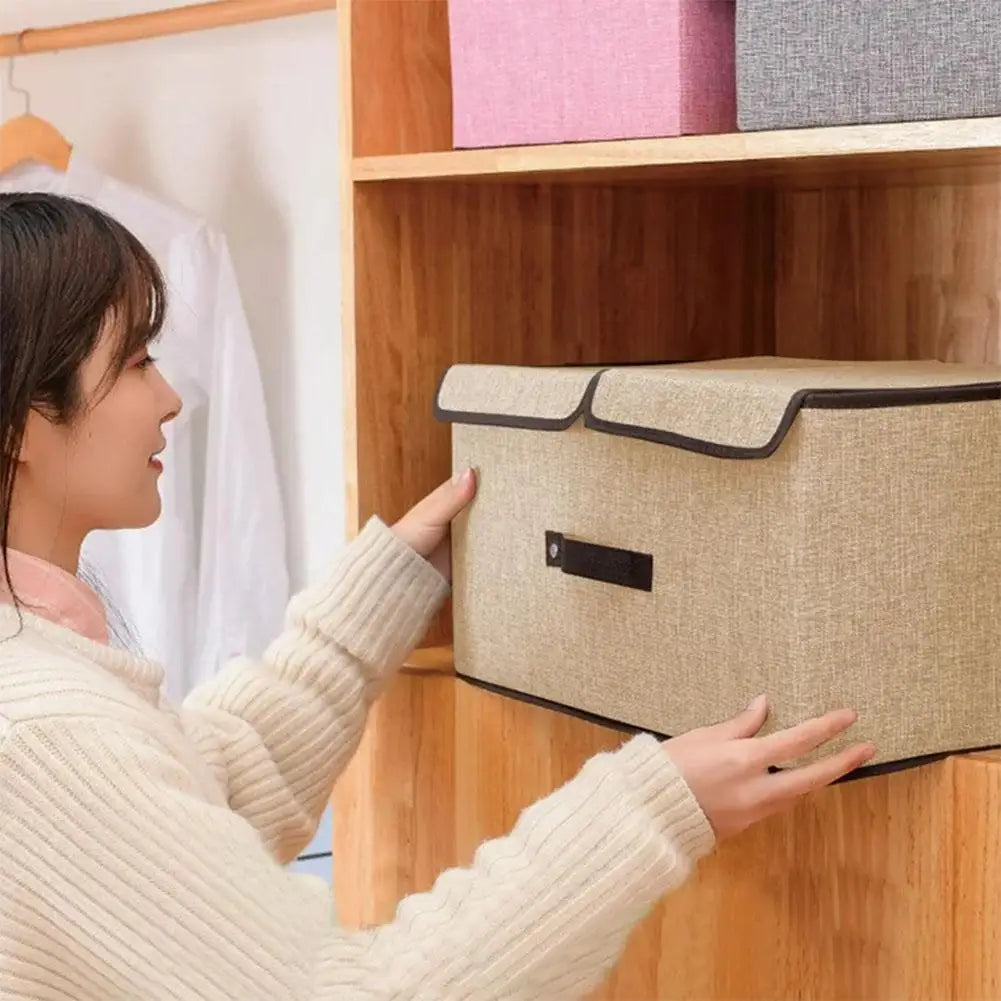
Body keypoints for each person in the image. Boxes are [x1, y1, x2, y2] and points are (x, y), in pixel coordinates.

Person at [0, 191, 875, 1001]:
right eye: (137, 362)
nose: (170, 395)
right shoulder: (44, 732)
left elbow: (197, 800)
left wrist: (370, 601)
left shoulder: (39, 674)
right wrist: (647, 807)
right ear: (23, 421)